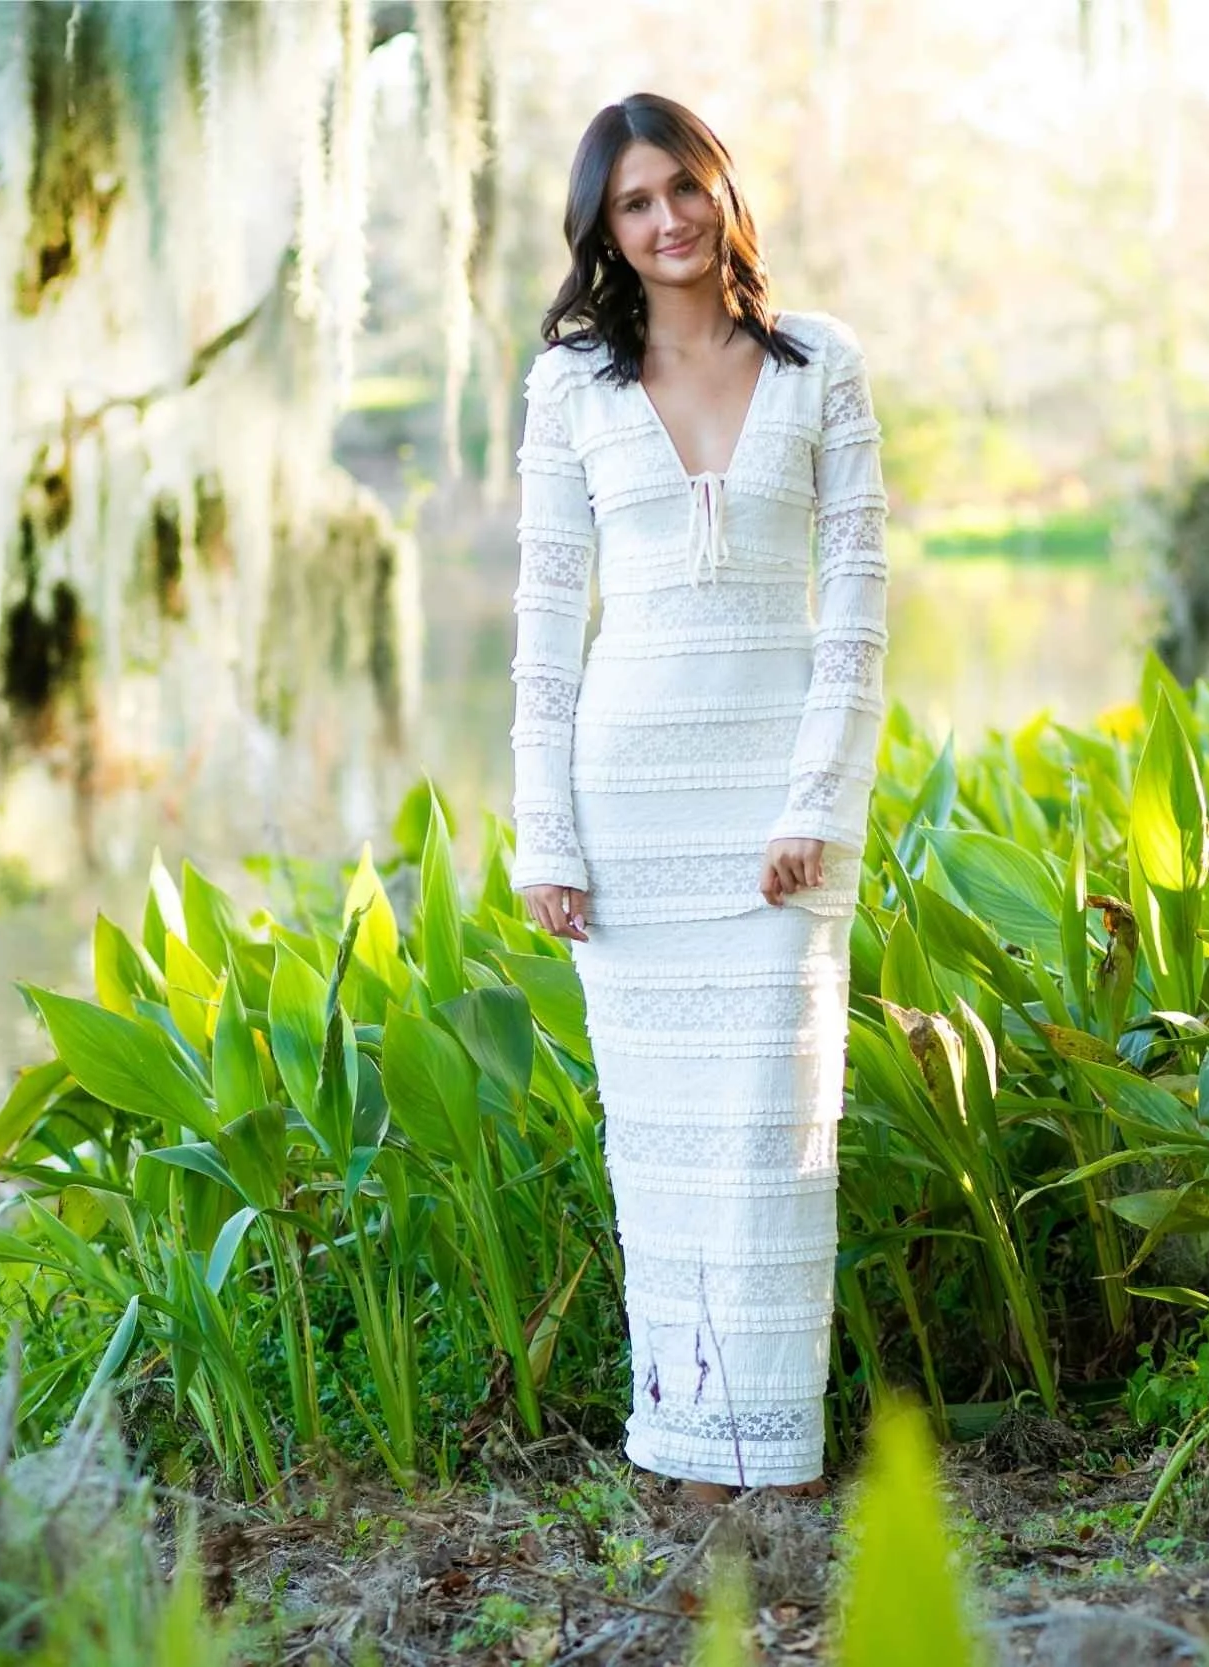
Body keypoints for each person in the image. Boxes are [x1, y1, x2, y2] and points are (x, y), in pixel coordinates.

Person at [509, 92, 890, 1504]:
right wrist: (544, 829)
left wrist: (818, 804)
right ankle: (682, 1441)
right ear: (603, 229)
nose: (666, 220)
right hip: (630, 805)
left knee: (772, 1133)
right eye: (633, 202)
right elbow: (548, 622)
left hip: (778, 813)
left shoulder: (822, 368)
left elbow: (855, 607)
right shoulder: (570, 387)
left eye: (683, 188)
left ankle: (767, 1451)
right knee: (657, 1138)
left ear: (723, 193)